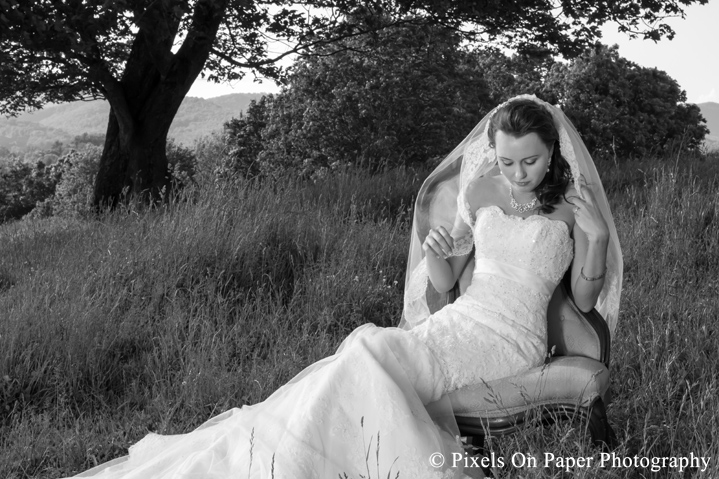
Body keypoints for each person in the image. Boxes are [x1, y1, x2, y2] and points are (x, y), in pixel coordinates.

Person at [63, 95, 622, 479]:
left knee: (370, 354)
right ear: (493, 154)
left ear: (553, 153)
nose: (519, 173)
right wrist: (435, 256)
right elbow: (447, 283)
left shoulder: (574, 210)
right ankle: (283, 461)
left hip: (509, 341)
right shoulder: (479, 191)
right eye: (507, 161)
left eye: (530, 161)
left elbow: (582, 301)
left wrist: (593, 236)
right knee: (366, 348)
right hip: (459, 321)